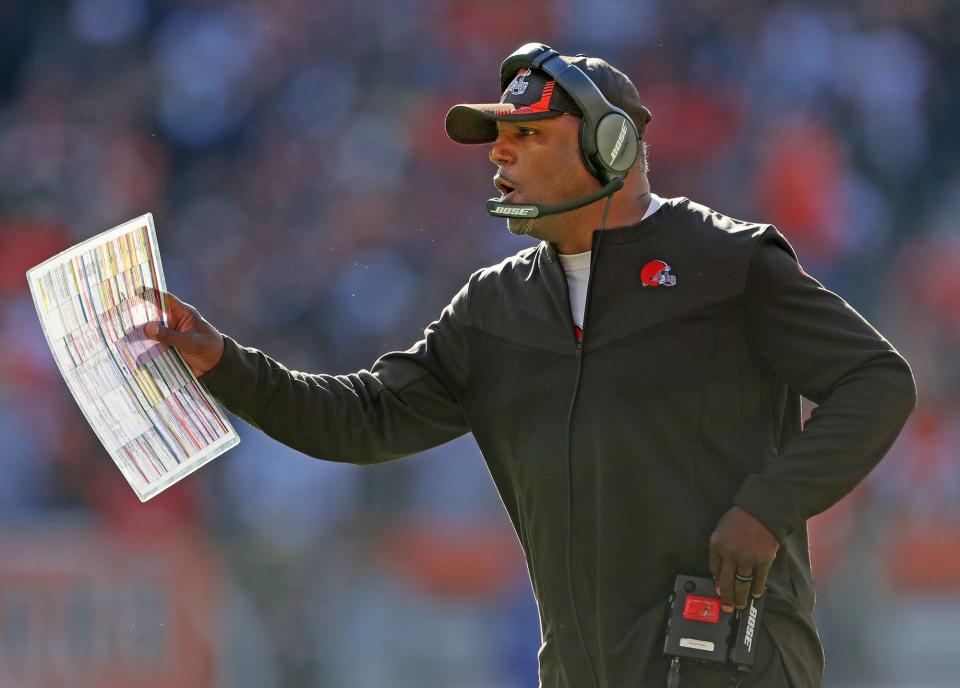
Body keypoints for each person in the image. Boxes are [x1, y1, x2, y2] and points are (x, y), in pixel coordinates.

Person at [145, 43, 916, 688]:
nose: (500, 153)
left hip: (736, 665)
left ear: (608, 147)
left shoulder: (727, 261)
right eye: (497, 137)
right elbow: (361, 420)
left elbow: (877, 381)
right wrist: (222, 361)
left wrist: (768, 507)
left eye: (528, 134)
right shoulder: (494, 309)